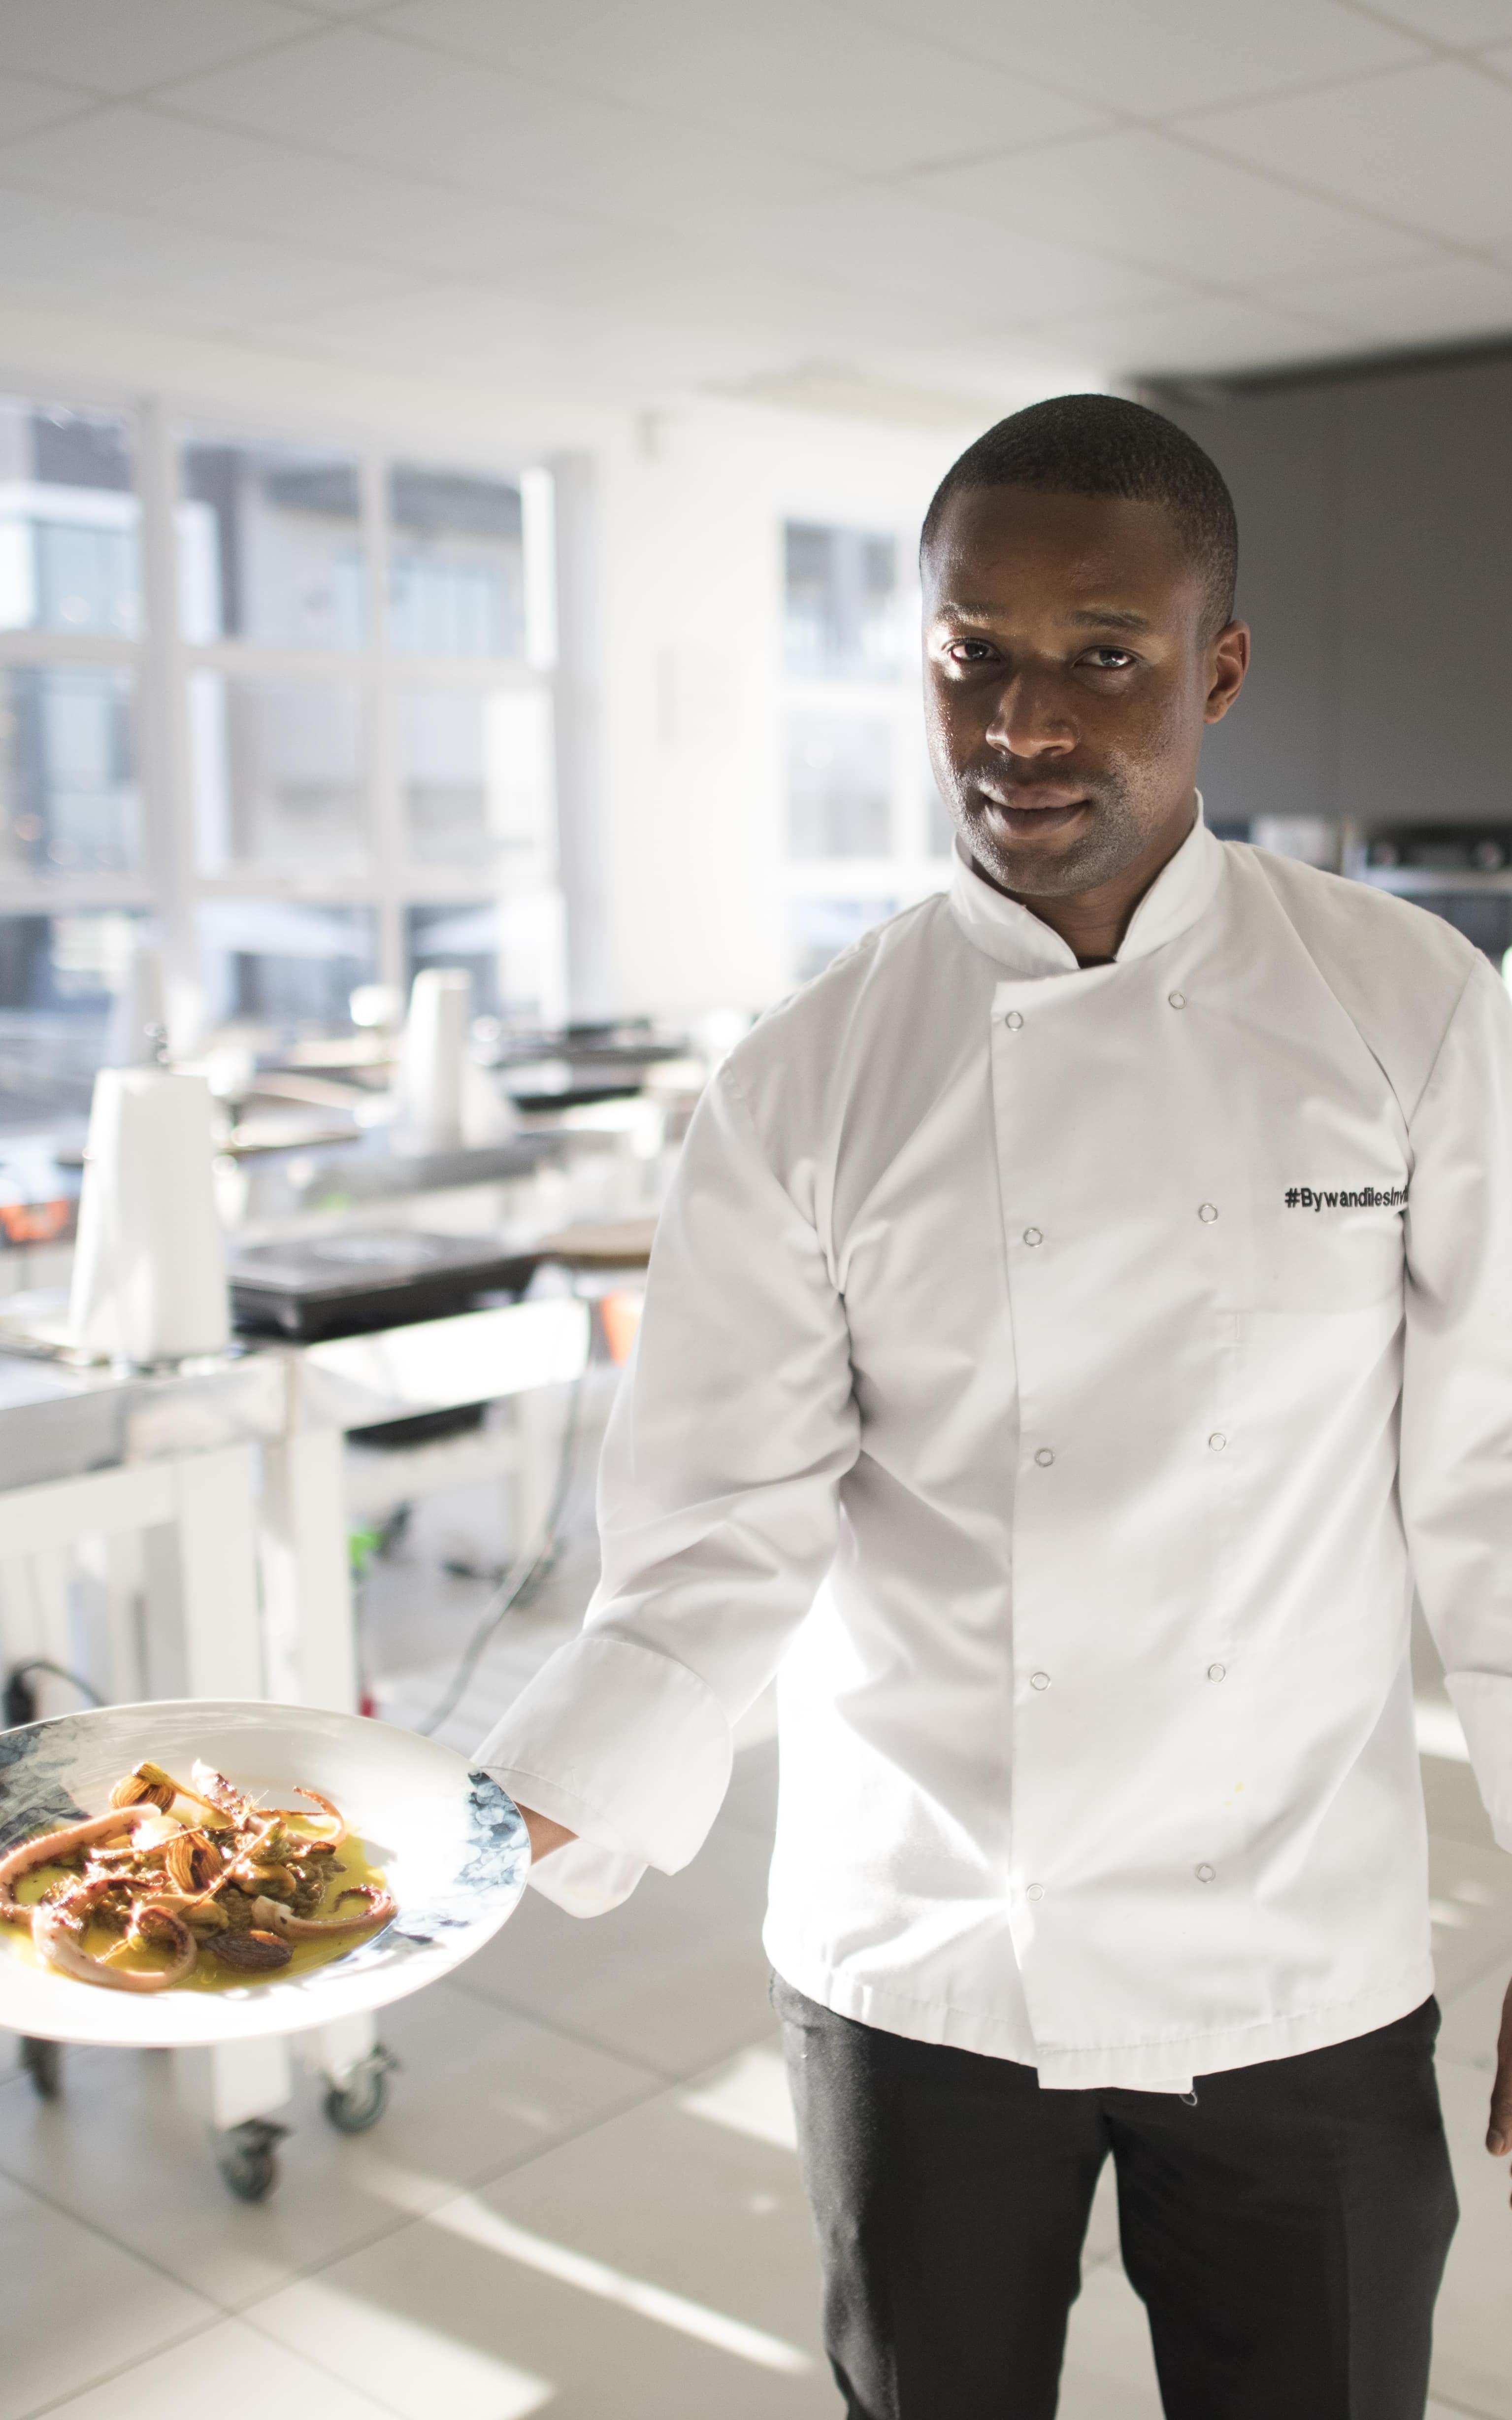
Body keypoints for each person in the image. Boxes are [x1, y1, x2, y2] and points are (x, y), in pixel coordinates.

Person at [479, 394, 1512, 2419]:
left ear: (1217, 671)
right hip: (923, 1947)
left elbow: (1495, 1487)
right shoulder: (807, 1074)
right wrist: (484, 1829)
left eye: (1102, 656)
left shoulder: (1406, 1010)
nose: (1024, 720)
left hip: (1292, 1942)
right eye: (975, 651)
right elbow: (716, 1546)